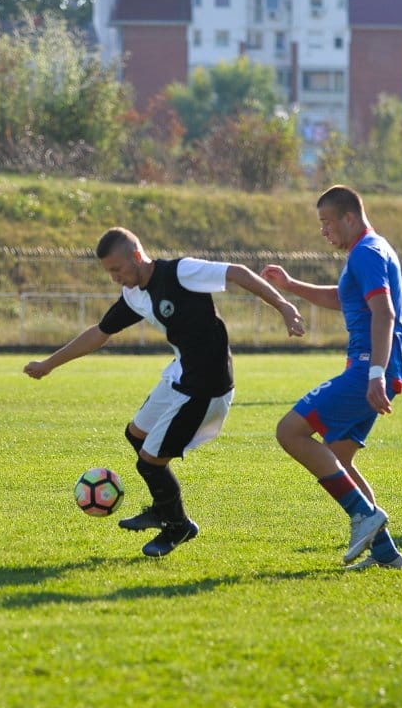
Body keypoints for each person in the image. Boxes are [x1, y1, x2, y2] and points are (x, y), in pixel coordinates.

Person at [24, 227, 306, 558]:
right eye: (109, 272)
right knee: (135, 434)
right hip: (179, 375)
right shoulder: (134, 294)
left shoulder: (182, 272)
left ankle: (178, 526)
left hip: (205, 387)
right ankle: (162, 508)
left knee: (150, 464)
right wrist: (49, 364)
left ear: (137, 255)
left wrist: (284, 306)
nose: (115, 278)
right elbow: (99, 333)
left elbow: (238, 273)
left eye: (117, 269)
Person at [261, 185, 402, 571]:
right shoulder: (371, 250)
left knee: (289, 431)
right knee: (338, 458)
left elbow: (385, 313)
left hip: (367, 369)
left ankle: (366, 516)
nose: (324, 232)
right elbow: (341, 297)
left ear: (349, 217)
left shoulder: (366, 252)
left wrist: (375, 373)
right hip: (372, 370)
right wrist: (291, 286)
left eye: (327, 223)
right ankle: (384, 553)